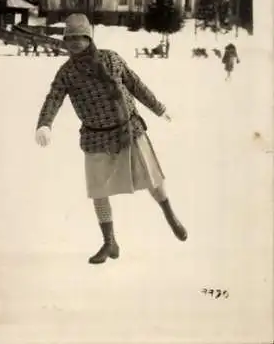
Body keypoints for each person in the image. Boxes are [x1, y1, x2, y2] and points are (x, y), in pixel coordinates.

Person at [35, 14, 187, 265]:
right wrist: (44, 124)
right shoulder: (66, 73)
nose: (74, 43)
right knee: (98, 191)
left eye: (80, 37)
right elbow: (54, 98)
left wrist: (159, 108)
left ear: (89, 38)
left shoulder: (111, 58)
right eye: (69, 38)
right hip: (95, 137)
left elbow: (136, 85)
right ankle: (110, 242)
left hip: (129, 129)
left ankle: (170, 215)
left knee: (152, 178)